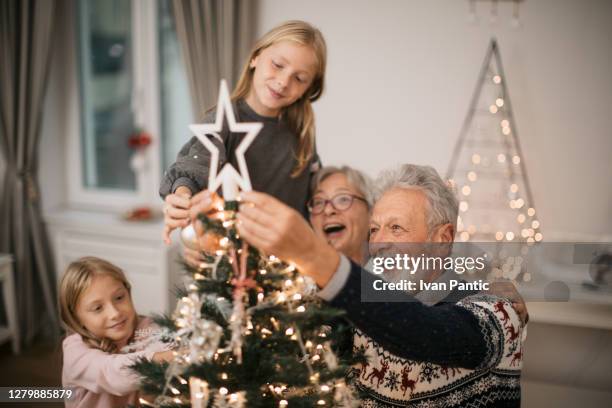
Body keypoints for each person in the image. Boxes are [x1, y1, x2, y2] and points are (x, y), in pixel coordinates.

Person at [236, 164, 526, 407]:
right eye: (374, 230)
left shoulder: (498, 310)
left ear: (443, 237)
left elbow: (422, 331)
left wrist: (314, 256)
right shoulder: (361, 311)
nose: (380, 243)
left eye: (396, 228)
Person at [161, 20, 327, 246]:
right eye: (278, 65)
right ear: (255, 58)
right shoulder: (223, 121)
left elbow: (315, 186)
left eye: (299, 78)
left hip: (288, 259)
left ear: (308, 88)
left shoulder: (302, 131)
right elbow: (194, 166)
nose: (283, 81)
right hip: (233, 259)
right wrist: (181, 195)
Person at [60, 257, 174, 408]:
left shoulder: (147, 326)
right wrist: (161, 358)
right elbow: (112, 374)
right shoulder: (75, 352)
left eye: (119, 298)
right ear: (76, 317)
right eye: (97, 308)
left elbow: (166, 344)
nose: (114, 313)